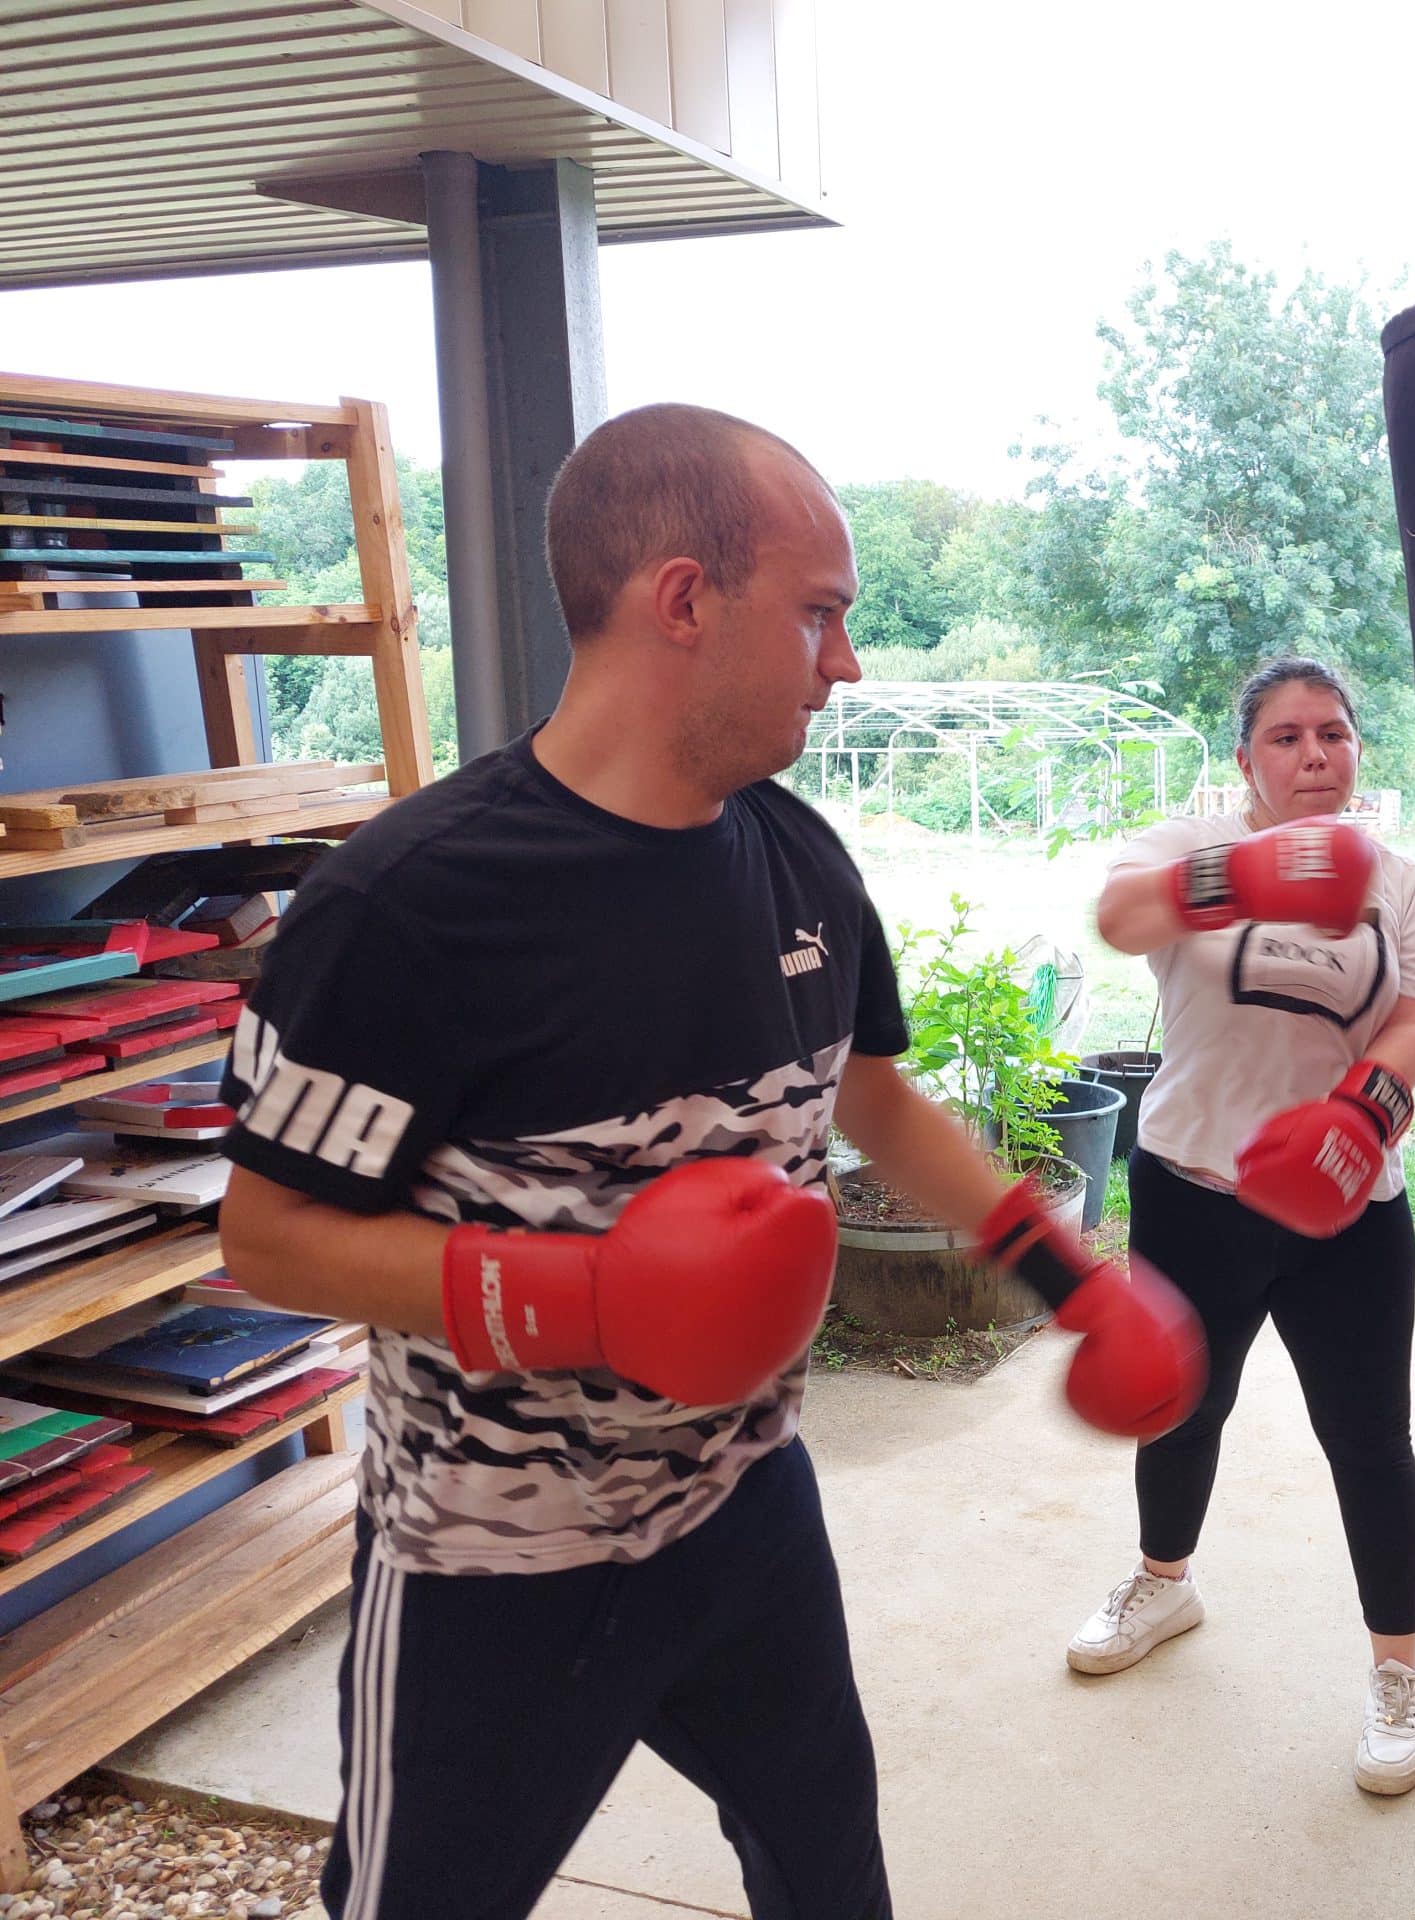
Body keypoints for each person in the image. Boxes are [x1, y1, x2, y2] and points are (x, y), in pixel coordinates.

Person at [216, 402, 1203, 1920]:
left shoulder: (800, 859)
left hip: (745, 1508)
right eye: (820, 616)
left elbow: (875, 1102)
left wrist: (1070, 1277)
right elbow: (269, 1239)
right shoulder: (407, 907)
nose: (849, 661)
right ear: (684, 600)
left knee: (830, 1881)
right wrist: (592, 1299)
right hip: (497, 1566)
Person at [1066, 656, 1415, 1795]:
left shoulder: (1396, 879)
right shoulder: (1181, 843)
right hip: (1193, 1184)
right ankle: (1163, 1580)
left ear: (1355, 750)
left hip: (1345, 1202)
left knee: (1370, 1440)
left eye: (1332, 733)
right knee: (1179, 1407)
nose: (1313, 754)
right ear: (1245, 761)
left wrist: (1363, 1114)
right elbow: (1118, 918)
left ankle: (1399, 1670)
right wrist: (1248, 870)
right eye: (1285, 737)